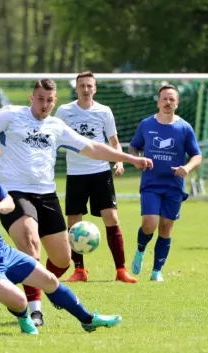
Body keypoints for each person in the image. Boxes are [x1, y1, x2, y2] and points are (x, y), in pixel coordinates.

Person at [0, 78, 153, 327]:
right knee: (31, 243)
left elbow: (94, 148)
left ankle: (25, 287)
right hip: (13, 193)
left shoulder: (57, 126)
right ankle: (34, 312)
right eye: (40, 99)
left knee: (63, 259)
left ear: (55, 101)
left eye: (49, 100)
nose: (44, 105)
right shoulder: (10, 115)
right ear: (32, 98)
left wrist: (129, 158)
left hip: (47, 195)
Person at [0, 141, 123, 334]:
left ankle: (87, 320)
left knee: (50, 280)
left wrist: (0, 207)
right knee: (19, 301)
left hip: (5, 254)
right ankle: (25, 319)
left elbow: (9, 200)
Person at [54, 71, 136, 283]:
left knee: (112, 218)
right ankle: (79, 270)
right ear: (76, 88)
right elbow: (52, 136)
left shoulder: (104, 111)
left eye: (90, 85)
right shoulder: (64, 111)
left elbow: (113, 140)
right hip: (76, 173)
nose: (86, 89)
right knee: (73, 222)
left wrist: (118, 160)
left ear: (95, 88)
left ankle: (121, 270)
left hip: (100, 171)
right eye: (82, 85)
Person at [128, 84, 202, 282]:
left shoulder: (184, 128)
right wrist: (136, 160)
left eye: (172, 99)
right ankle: (140, 249)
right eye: (164, 99)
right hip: (151, 183)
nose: (168, 102)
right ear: (158, 101)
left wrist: (186, 168)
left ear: (176, 103)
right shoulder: (146, 124)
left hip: (174, 185)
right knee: (149, 223)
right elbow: (133, 147)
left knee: (166, 227)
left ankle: (157, 271)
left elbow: (197, 155)